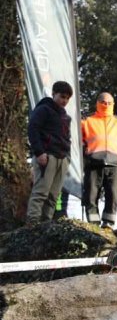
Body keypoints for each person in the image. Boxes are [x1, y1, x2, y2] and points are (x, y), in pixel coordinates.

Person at [81, 92, 117, 229]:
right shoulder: (86, 121)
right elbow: (78, 141)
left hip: (114, 164)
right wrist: (85, 155)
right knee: (91, 194)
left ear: (113, 105)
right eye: (103, 102)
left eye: (109, 103)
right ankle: (93, 224)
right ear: (98, 103)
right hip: (93, 163)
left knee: (114, 194)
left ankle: (108, 224)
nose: (106, 105)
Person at [26, 81, 73, 225]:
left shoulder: (66, 117)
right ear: (54, 94)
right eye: (62, 96)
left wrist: (67, 158)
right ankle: (32, 223)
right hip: (47, 156)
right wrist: (39, 152)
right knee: (41, 191)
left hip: (62, 158)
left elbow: (67, 137)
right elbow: (32, 129)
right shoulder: (43, 110)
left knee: (54, 195)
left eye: (67, 98)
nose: (64, 101)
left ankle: (46, 224)